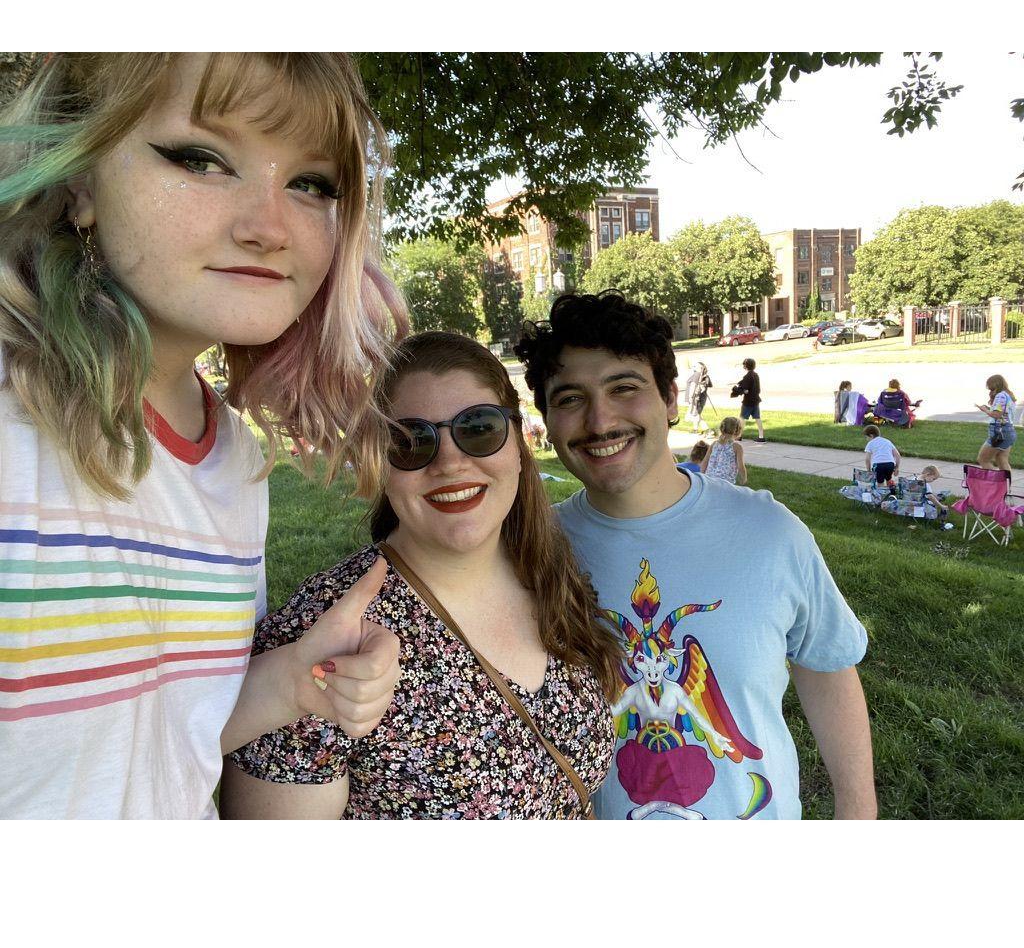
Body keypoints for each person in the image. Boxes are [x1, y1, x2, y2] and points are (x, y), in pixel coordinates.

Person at [0, 53, 406, 819]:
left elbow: (168, 743)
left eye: (312, 183)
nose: (269, 227)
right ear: (81, 177)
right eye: (202, 159)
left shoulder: (233, 460)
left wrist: (291, 683)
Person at [221, 332, 620, 819]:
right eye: (411, 441)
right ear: (379, 461)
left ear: (518, 443)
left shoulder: (548, 575)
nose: (451, 462)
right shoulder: (324, 639)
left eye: (478, 428)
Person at [515, 291, 875, 820]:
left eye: (624, 387)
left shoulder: (770, 534)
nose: (599, 419)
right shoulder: (533, 552)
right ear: (547, 419)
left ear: (670, 401)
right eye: (569, 398)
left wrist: (858, 817)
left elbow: (827, 670)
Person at [976, 374, 1017, 474]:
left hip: (1000, 432)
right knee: (1002, 460)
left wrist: (985, 410)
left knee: (983, 460)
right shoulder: (1008, 395)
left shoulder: (1000, 395)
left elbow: (997, 415)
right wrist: (989, 409)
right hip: (1008, 431)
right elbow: (1004, 415)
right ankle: (1006, 487)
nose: (989, 389)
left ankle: (998, 483)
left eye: (990, 387)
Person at [700, 416, 746, 485]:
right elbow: (741, 467)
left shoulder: (714, 444)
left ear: (722, 429)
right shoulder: (737, 447)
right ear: (738, 431)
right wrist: (744, 480)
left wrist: (702, 477)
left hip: (709, 480)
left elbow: (705, 462)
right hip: (725, 483)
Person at [731, 357, 765, 442]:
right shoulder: (756, 375)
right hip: (756, 400)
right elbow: (757, 389)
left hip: (748, 401)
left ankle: (739, 436)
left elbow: (745, 390)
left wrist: (737, 389)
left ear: (745, 366)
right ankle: (761, 436)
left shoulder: (747, 376)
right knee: (757, 418)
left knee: (742, 418)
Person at [683, 360, 713, 435]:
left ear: (700, 368)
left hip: (696, 398)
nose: (693, 367)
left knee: (696, 414)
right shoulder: (704, 375)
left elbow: (693, 386)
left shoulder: (697, 374)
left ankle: (708, 430)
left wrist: (690, 397)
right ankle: (695, 429)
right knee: (696, 413)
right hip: (701, 397)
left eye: (695, 366)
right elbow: (709, 385)